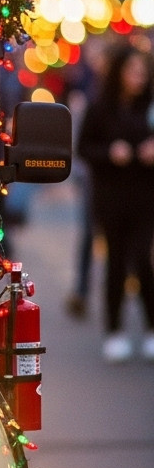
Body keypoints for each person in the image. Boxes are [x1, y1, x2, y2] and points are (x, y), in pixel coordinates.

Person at [77, 44, 154, 361]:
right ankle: (115, 330)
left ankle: (151, 328)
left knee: (143, 261)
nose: (139, 77)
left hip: (145, 197)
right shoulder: (100, 108)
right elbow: (84, 148)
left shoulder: (149, 107)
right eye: (132, 70)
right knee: (116, 264)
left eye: (142, 71)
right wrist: (110, 153)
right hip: (111, 198)